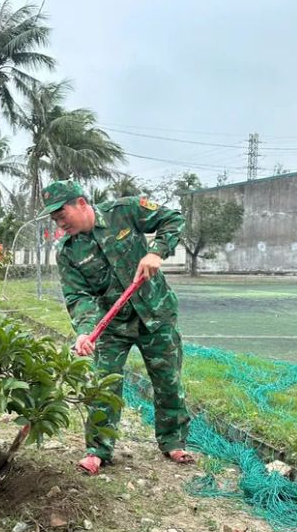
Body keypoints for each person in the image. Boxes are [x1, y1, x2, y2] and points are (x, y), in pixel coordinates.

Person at [41, 179, 193, 475]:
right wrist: (85, 331)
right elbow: (77, 296)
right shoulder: (68, 251)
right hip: (111, 325)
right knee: (103, 385)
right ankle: (98, 449)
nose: (60, 224)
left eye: (62, 216)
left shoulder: (124, 211)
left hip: (155, 313)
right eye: (55, 220)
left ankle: (173, 441)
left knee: (167, 380)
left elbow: (173, 218)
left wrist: (156, 252)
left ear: (81, 203)